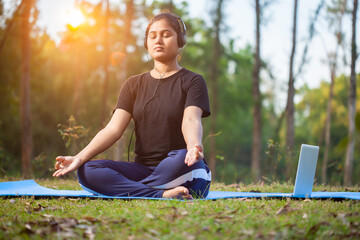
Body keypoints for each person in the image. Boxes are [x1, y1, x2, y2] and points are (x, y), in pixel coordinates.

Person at [53, 12, 211, 199]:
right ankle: (161, 194)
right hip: (142, 170)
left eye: (166, 34)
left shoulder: (192, 81)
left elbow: (191, 119)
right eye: (152, 36)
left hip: (180, 166)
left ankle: (133, 190)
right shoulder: (133, 84)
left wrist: (194, 146)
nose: (158, 40)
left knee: (182, 161)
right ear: (146, 43)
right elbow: (112, 129)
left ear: (180, 41)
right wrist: (79, 157)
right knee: (88, 170)